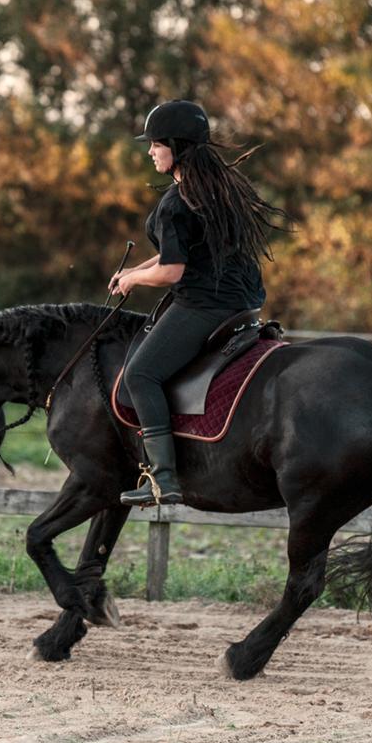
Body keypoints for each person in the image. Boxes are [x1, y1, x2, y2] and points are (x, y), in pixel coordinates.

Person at [110, 99, 289, 507]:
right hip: (243, 303)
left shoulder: (176, 201)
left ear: (176, 146)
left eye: (156, 144)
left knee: (141, 375)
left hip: (204, 305)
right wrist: (134, 271)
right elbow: (188, 253)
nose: (150, 151)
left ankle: (163, 478)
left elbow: (173, 273)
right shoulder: (220, 188)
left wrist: (135, 278)